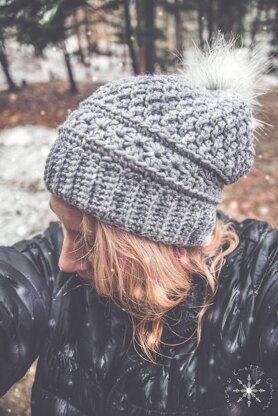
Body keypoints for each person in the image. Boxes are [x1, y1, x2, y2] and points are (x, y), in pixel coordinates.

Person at [0, 36, 277, 416]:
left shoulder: (260, 292)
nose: (64, 260)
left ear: (163, 239)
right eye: (61, 225)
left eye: (87, 239)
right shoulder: (54, 271)